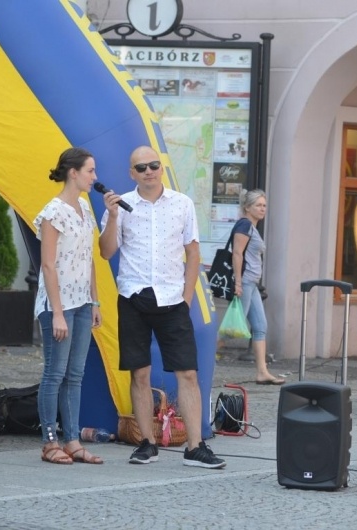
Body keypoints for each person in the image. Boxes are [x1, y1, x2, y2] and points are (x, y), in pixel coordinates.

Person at [99, 145, 225, 469]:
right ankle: (146, 442)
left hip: (172, 300)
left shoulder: (182, 204)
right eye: (141, 168)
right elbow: (106, 251)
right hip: (133, 297)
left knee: (188, 373)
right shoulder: (122, 206)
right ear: (132, 173)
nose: (149, 171)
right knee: (139, 373)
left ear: (161, 168)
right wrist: (113, 216)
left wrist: (186, 298)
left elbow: (193, 252)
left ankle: (195, 446)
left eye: (154, 165)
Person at [34, 147, 103, 465]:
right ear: (73, 172)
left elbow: (88, 258)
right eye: (90, 171)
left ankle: (72, 439)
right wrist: (57, 312)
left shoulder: (85, 208)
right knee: (55, 373)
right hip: (57, 305)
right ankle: (50, 441)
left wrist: (95, 300)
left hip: (81, 302)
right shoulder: (53, 211)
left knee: (75, 374)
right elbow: (48, 265)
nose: (94, 177)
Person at [231, 189, 284, 385]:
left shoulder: (252, 227)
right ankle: (201, 361)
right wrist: (238, 282)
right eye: (258, 205)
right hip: (244, 282)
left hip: (251, 283)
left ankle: (262, 372)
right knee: (232, 328)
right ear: (247, 207)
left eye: (264, 205)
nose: (262, 209)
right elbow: (237, 253)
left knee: (260, 327)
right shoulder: (244, 225)